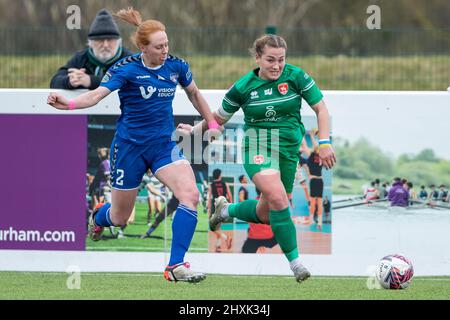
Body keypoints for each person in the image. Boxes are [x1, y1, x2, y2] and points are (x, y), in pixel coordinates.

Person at [47, 8, 220, 283]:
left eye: (167, 45)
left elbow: (194, 94)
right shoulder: (126, 68)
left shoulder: (176, 66)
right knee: (119, 216)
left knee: (190, 195)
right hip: (129, 148)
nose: (165, 50)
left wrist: (211, 123)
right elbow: (96, 95)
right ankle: (98, 216)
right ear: (142, 47)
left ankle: (175, 265)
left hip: (163, 145)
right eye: (159, 46)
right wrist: (67, 104)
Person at [179, 34, 336, 282]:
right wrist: (194, 131)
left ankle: (226, 210)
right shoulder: (243, 87)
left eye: (281, 60)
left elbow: (321, 109)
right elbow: (218, 118)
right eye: (271, 60)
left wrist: (324, 143)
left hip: (288, 152)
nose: (276, 66)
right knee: (278, 197)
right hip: (258, 147)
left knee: (266, 213)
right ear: (257, 58)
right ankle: (296, 263)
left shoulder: (296, 77)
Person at [50, 9, 134, 90]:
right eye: (100, 40)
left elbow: (132, 82)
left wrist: (91, 81)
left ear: (118, 42)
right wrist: (70, 81)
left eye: (110, 40)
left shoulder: (129, 59)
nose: (105, 45)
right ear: (90, 43)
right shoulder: (81, 58)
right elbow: (54, 82)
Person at [303, 129, 326, 230]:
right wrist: (313, 135)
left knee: (313, 202)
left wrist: (311, 135)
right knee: (319, 202)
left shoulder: (311, 155)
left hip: (313, 181)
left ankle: (312, 220)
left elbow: (306, 145)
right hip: (320, 181)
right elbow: (315, 146)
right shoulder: (321, 156)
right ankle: (319, 222)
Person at [207, 169, 233, 252]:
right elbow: (230, 196)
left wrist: (208, 210)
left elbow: (209, 199)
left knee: (213, 228)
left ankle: (226, 238)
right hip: (224, 208)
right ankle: (218, 247)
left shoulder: (211, 185)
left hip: (215, 208)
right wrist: (230, 207)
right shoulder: (225, 184)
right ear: (219, 175)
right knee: (217, 227)